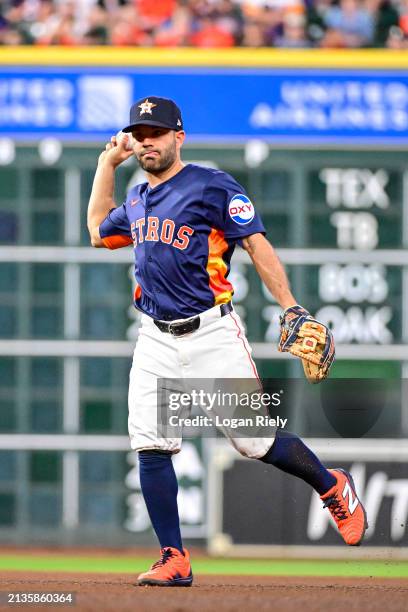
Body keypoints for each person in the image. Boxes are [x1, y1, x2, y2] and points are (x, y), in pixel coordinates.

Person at [87, 96, 368, 587]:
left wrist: (291, 307)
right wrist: (105, 164)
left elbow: (256, 243)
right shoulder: (135, 198)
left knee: (255, 442)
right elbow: (96, 232)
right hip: (153, 336)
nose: (146, 140)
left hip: (212, 331)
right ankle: (174, 557)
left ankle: (332, 486)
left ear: (179, 137)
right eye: (139, 132)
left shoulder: (212, 187)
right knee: (151, 444)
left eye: (156, 132)